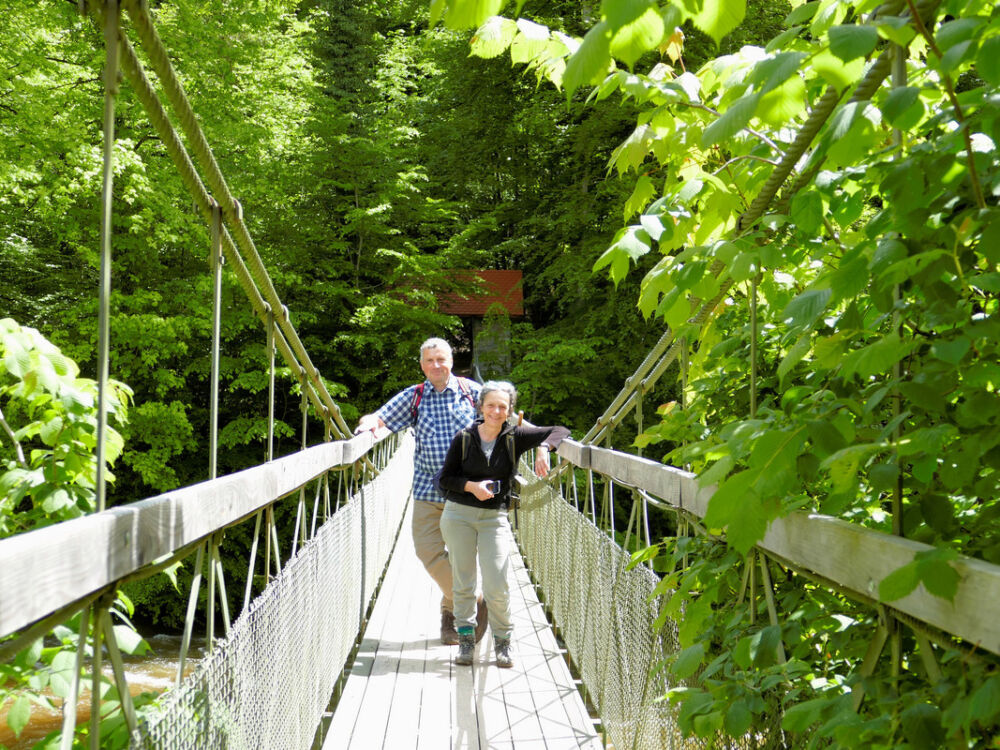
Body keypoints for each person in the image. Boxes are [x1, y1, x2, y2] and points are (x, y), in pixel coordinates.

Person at [354, 338, 491, 645]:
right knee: (427, 551)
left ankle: (450, 620)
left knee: (462, 558)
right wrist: (368, 424)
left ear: (451, 362)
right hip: (428, 489)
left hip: (466, 492)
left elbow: (505, 420)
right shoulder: (414, 396)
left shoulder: (473, 393)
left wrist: (543, 444)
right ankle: (474, 599)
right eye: (430, 361)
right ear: (422, 365)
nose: (436, 365)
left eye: (441, 359)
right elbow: (380, 417)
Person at [437, 380, 569, 668]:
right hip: (458, 514)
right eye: (491, 406)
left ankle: (503, 642)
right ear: (480, 407)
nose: (496, 412)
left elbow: (559, 430)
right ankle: (466, 642)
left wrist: (543, 448)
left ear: (510, 410)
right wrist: (471, 487)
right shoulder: (464, 437)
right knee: (463, 582)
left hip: (493, 518)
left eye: (502, 407)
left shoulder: (515, 436)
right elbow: (445, 479)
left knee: (497, 583)